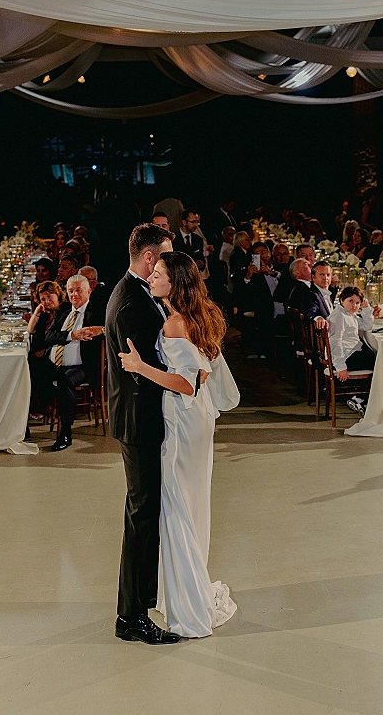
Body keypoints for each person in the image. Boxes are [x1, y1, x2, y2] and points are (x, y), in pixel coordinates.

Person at [119, 251, 239, 638]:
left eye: (157, 275)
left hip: (184, 418)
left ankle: (188, 607)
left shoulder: (174, 323)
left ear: (175, 282)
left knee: (178, 508)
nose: (150, 278)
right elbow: (203, 369)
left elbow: (185, 382)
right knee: (191, 502)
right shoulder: (202, 315)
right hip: (199, 416)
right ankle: (189, 591)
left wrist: (141, 368)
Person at [105, 223, 176, 645]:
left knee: (144, 514)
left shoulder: (130, 291)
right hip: (139, 419)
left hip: (135, 416)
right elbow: (147, 368)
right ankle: (130, 616)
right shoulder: (132, 301)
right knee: (141, 517)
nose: (166, 262)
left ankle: (138, 605)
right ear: (149, 257)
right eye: (164, 255)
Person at [44, 274, 104, 451]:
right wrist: (72, 335)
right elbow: (48, 337)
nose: (74, 295)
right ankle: (19, 429)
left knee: (65, 381)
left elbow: (113, 329)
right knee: (28, 371)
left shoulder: (96, 311)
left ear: (88, 291)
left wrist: (101, 330)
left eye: (78, 290)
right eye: (70, 291)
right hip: (55, 363)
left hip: (82, 366)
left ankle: (66, 433)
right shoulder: (63, 311)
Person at [328, 286, 378, 415]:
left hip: (351, 351)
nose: (354, 305)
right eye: (350, 301)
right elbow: (335, 342)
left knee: (377, 357)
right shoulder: (339, 316)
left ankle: (363, 397)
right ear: (342, 300)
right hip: (344, 356)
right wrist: (340, 367)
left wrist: (366, 309)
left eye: (357, 303)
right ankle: (360, 399)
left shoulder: (349, 314)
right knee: (380, 364)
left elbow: (366, 325)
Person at [27, 280, 65, 417]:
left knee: (34, 366)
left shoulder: (64, 312)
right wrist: (37, 311)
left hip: (57, 356)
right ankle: (32, 405)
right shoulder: (45, 313)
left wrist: (43, 352)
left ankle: (41, 406)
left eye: (50, 297)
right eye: (43, 299)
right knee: (27, 363)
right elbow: (30, 330)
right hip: (42, 354)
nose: (47, 301)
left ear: (57, 294)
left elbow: (62, 339)